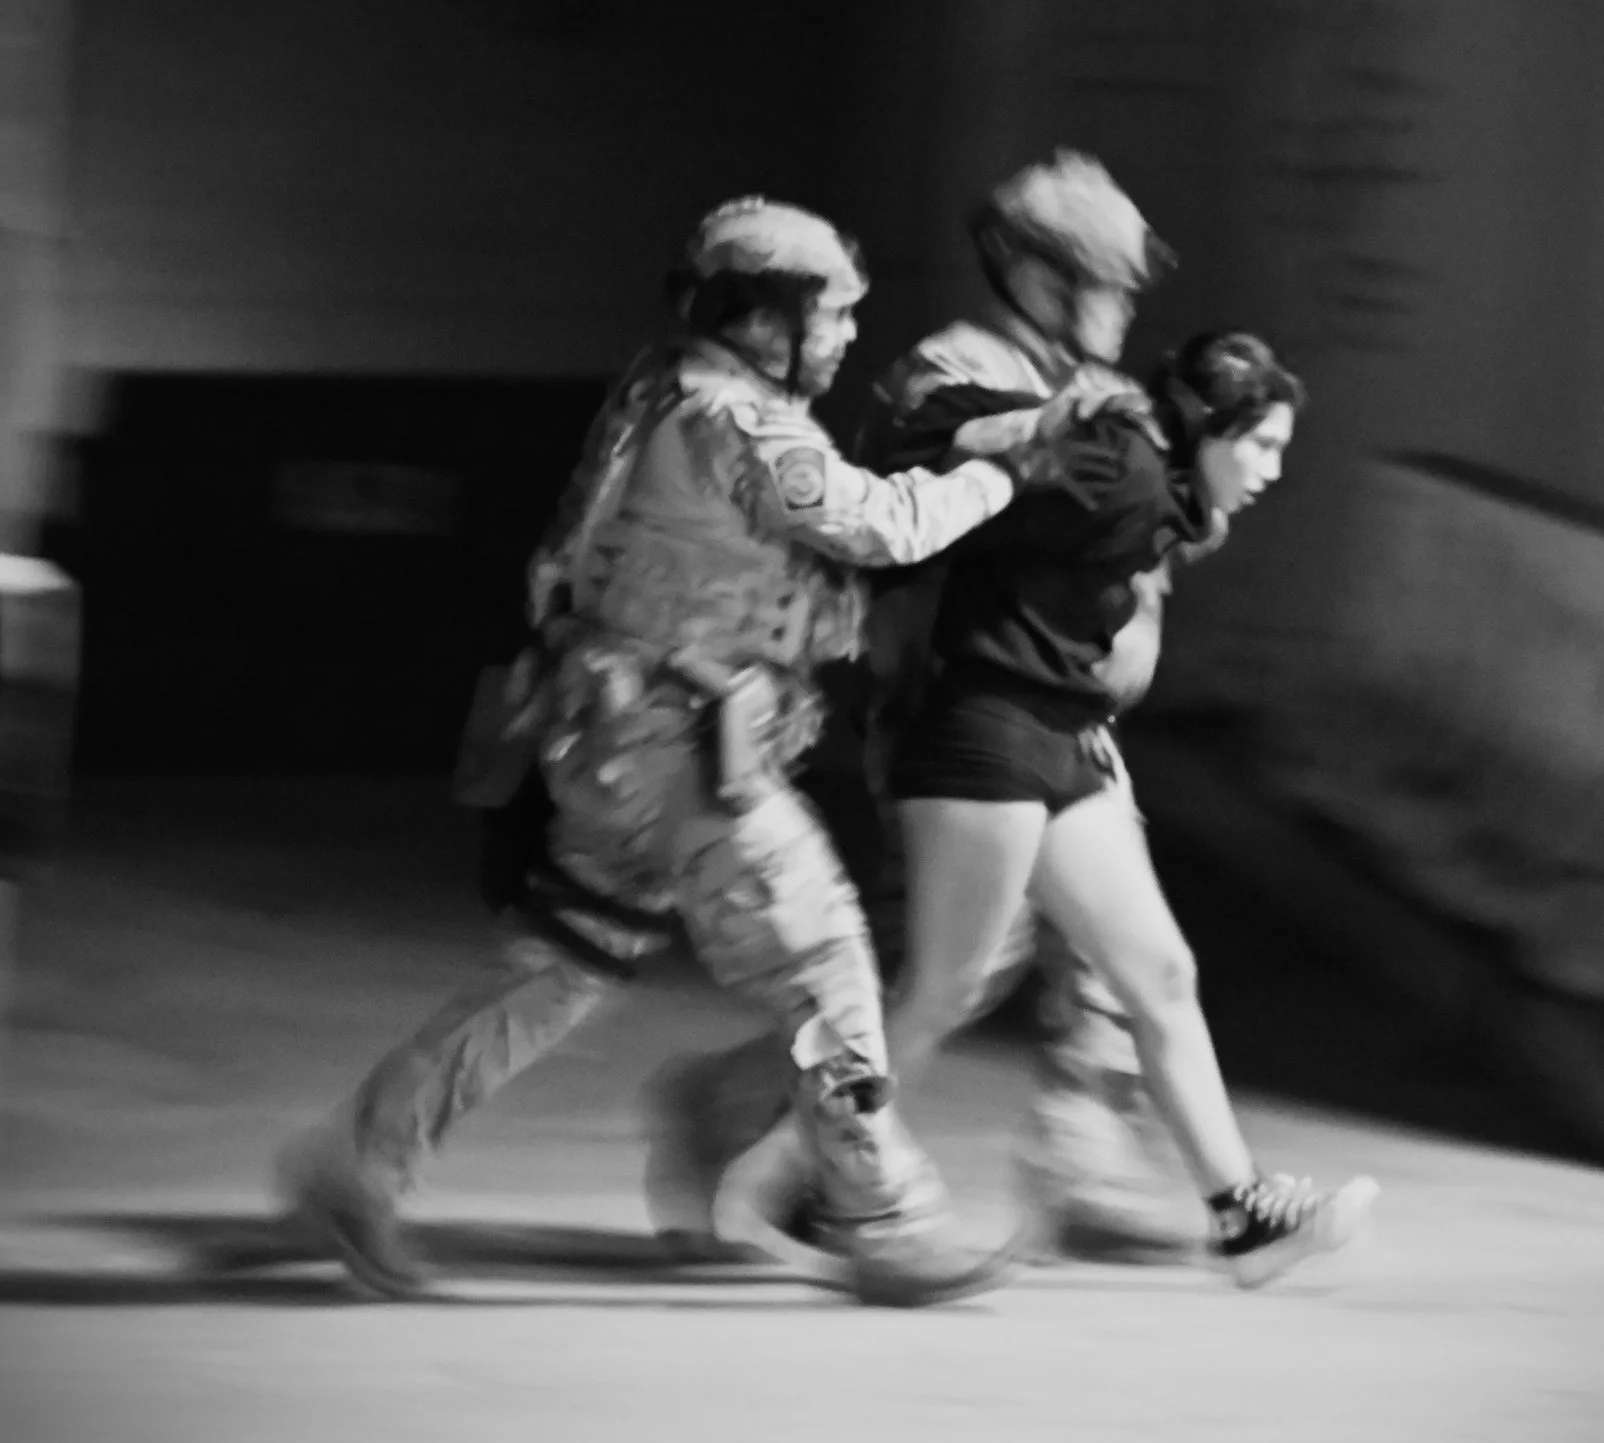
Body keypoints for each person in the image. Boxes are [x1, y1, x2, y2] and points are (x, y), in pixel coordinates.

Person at [276, 196, 1073, 1308]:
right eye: (832, 312)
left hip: (613, 740)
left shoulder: (663, 390)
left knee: (554, 967)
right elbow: (880, 525)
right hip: (687, 755)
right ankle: (881, 1214)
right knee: (828, 961)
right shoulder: (737, 422)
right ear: (764, 319)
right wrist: (1009, 469)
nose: (845, 336)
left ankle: (354, 1162)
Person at [645, 151, 1207, 1263]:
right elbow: (933, 513)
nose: (1126, 302)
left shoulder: (1097, 389)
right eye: (1108, 282)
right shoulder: (949, 376)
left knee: (1107, 948)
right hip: (957, 703)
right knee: (961, 962)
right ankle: (751, 1113)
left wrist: (1136, 617)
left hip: (1057, 711)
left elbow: (1140, 547)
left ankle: (1081, 1150)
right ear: (1042, 277)